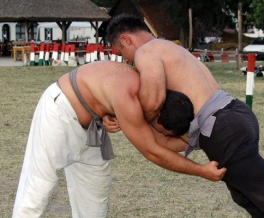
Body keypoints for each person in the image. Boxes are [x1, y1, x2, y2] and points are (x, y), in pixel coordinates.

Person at [106, 14, 264, 217]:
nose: (126, 60)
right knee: (250, 198)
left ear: (126, 39)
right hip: (234, 113)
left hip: (222, 128)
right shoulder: (172, 48)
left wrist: (127, 115)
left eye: (121, 53)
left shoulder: (147, 51)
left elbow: (153, 101)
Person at [13, 61, 225, 218]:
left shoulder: (159, 98)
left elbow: (164, 142)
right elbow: (154, 150)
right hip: (59, 112)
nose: (165, 137)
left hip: (92, 129)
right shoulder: (131, 99)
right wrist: (201, 171)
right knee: (38, 188)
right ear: (158, 115)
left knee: (95, 198)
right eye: (164, 131)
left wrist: (200, 140)